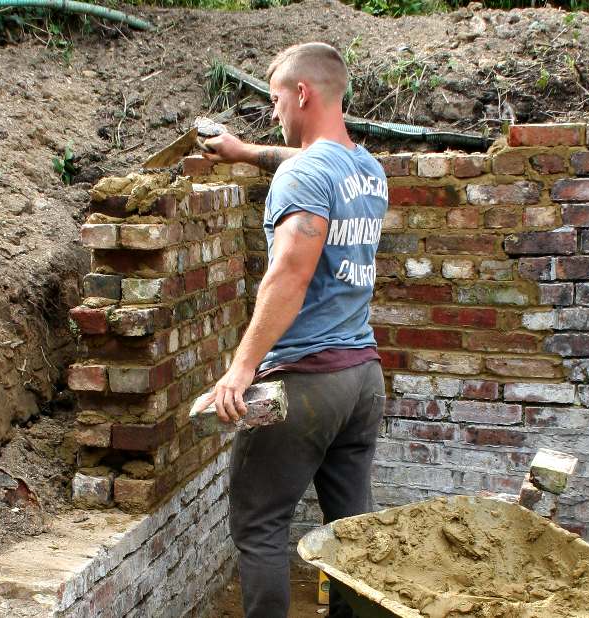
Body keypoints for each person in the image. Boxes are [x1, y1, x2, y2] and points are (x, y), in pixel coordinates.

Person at [191, 42, 389, 617]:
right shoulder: (368, 170)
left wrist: (241, 368)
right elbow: (305, 162)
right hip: (360, 380)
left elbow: (289, 274)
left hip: (302, 383)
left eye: (277, 98)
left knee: (260, 527)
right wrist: (243, 152)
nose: (274, 109)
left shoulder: (307, 173)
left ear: (302, 93)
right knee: (353, 533)